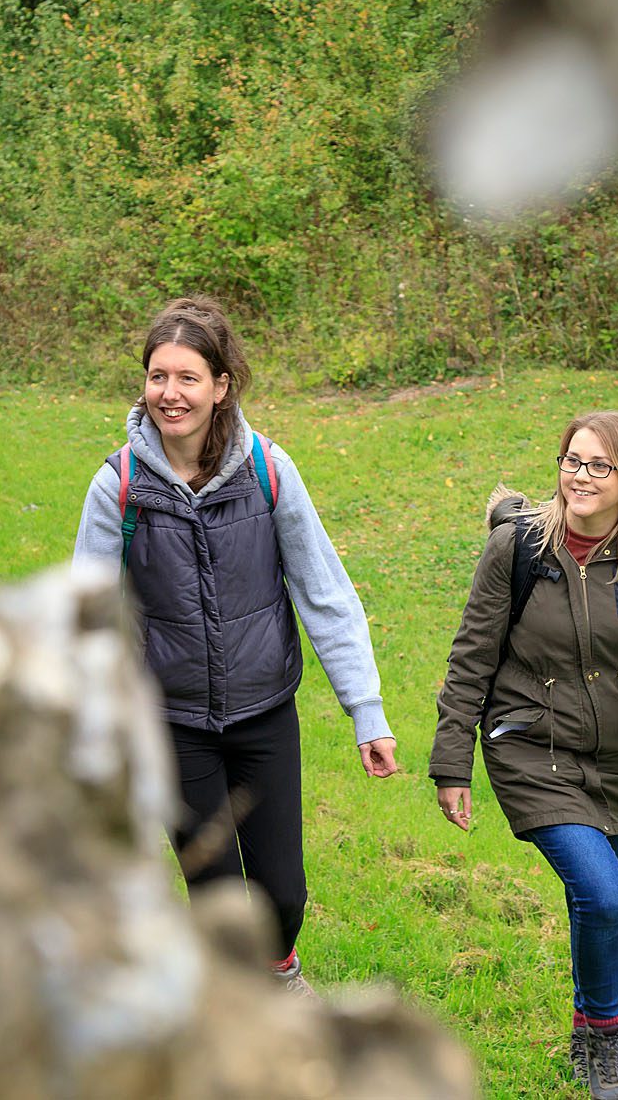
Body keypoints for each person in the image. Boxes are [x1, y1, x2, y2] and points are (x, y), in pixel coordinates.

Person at [73, 296, 398, 996]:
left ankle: (280, 974)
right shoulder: (119, 486)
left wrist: (365, 709)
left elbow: (324, 591)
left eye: (188, 377)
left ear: (222, 385)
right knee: (218, 901)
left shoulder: (268, 471)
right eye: (158, 376)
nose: (170, 393)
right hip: (173, 722)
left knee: (282, 895)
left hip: (263, 715)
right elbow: (88, 617)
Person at [428, 410, 618, 1100]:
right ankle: (606, 1036)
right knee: (605, 896)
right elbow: (472, 656)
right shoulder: (519, 550)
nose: (580, 475)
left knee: (596, 905)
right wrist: (452, 762)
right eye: (572, 460)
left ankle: (584, 1024)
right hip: (531, 748)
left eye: (599, 465)